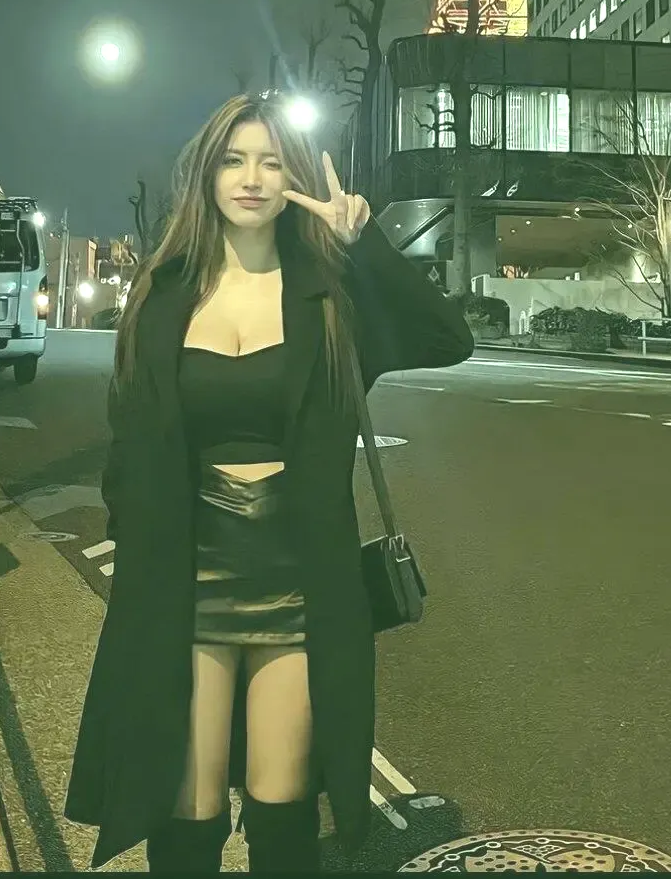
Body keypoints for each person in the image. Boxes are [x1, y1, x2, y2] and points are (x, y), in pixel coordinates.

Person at [65, 93, 474, 872]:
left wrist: (362, 243)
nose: (251, 178)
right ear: (207, 175)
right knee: (187, 804)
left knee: (281, 802)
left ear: (293, 179)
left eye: (270, 162)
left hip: (298, 574)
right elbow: (130, 440)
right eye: (233, 160)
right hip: (186, 572)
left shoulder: (329, 294)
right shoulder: (164, 292)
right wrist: (135, 547)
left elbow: (446, 337)